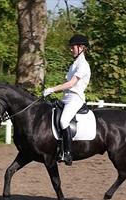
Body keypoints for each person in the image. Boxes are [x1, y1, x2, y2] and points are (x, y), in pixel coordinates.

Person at [43, 34, 91, 166]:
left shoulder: (83, 65)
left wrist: (52, 89)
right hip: (67, 97)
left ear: (81, 47)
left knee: (64, 120)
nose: (71, 49)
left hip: (75, 98)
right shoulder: (74, 64)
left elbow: (71, 84)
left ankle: (68, 153)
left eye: (73, 47)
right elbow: (66, 84)